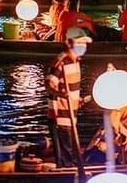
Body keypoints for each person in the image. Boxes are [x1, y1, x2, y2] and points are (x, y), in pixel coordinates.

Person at [46, 27, 91, 167]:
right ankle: (66, 173)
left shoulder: (76, 61)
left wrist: (78, 100)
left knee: (70, 150)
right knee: (65, 154)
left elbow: (71, 88)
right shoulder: (61, 62)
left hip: (71, 112)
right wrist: (61, 94)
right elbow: (48, 84)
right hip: (60, 115)